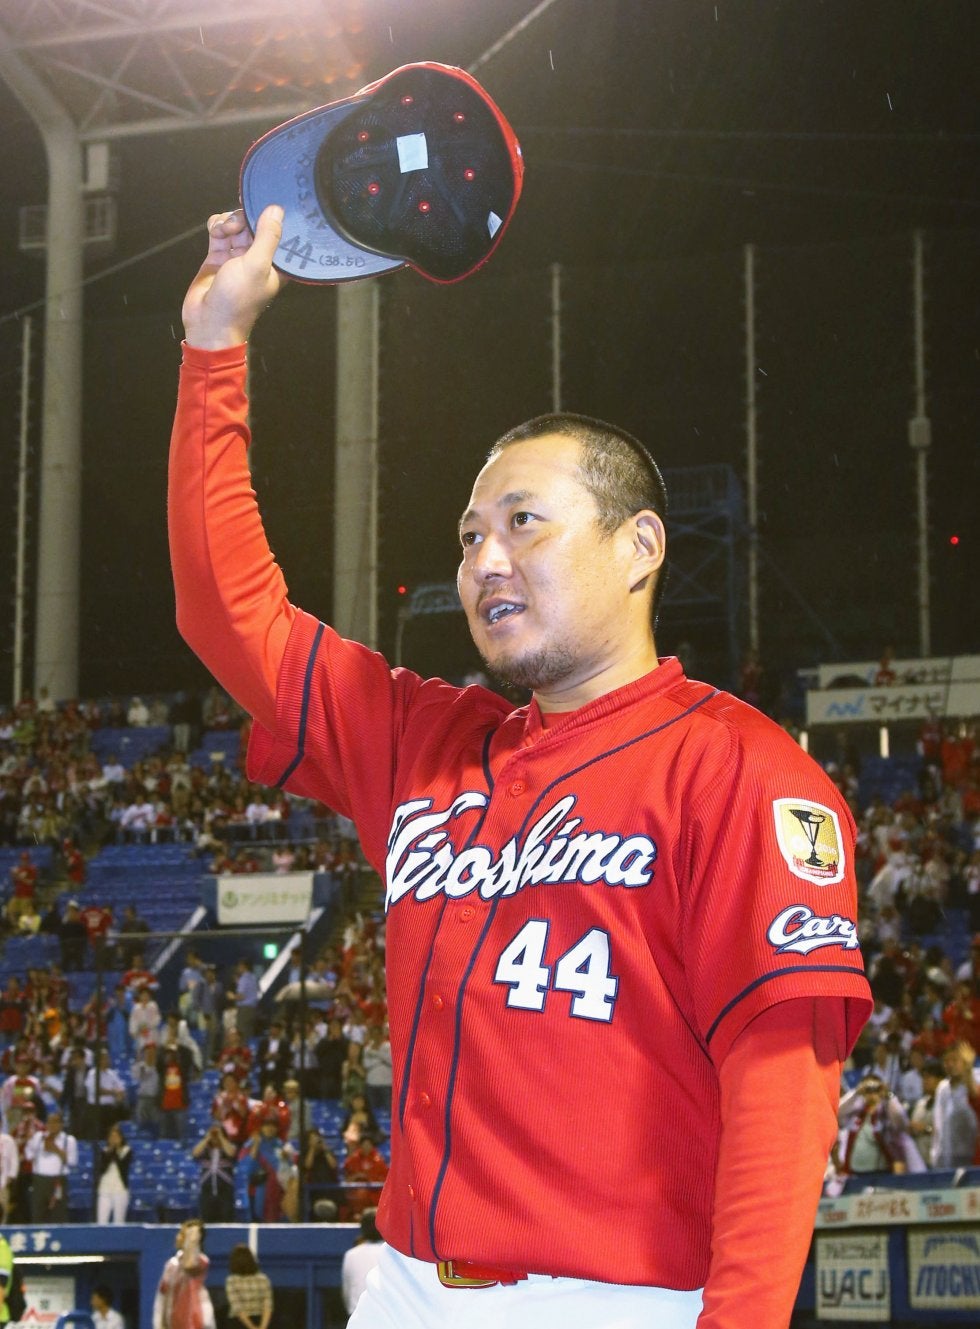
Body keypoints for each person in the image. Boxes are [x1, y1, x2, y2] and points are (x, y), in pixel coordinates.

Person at [168, 203, 873, 1329]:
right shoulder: (423, 741)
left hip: (619, 1300)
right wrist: (215, 349)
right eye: (467, 536)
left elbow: (782, 1086)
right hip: (409, 1284)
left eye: (524, 522)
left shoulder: (742, 769)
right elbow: (226, 612)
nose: (484, 559)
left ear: (639, 545)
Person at [152, 1219, 215, 1329]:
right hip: (174, 1322)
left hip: (196, 1322)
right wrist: (161, 1324)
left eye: (183, 1234)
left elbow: (189, 1266)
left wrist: (192, 1240)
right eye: (179, 1233)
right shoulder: (172, 1264)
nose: (178, 1237)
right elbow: (163, 1295)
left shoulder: (202, 1261)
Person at [24, 1107, 77, 1222]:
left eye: (55, 1122)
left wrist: (56, 1149)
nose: (52, 1125)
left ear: (61, 1124)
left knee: (58, 1215)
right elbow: (28, 1155)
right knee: (38, 1214)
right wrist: (32, 1144)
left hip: (58, 1180)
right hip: (39, 1180)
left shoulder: (68, 1140)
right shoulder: (39, 1137)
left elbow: (72, 1162)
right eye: (49, 1122)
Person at [342, 1207, 385, 1318]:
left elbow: (346, 1293)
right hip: (385, 1318)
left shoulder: (351, 1255)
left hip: (358, 1317)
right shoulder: (393, 1255)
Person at [224, 1243, 273, 1329]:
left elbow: (238, 1308)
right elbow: (267, 1305)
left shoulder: (231, 1281)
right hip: (260, 1319)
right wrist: (263, 1327)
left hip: (238, 1323)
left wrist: (252, 1327)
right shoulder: (263, 1278)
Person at [96, 1122, 132, 1224]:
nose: (114, 1139)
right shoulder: (104, 1151)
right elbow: (103, 1169)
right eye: (111, 1137)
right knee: (101, 1221)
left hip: (120, 1189)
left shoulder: (127, 1151)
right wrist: (111, 1150)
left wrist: (116, 1150)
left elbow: (122, 1167)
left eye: (116, 1136)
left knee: (119, 1221)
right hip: (105, 1189)